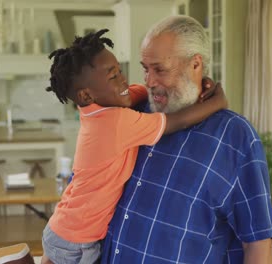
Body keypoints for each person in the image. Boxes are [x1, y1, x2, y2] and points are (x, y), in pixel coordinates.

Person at [101, 15, 272, 264]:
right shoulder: (132, 114)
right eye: (145, 68)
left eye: (160, 69)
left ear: (196, 65)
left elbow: (258, 245)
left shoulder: (235, 137)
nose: (149, 81)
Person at [41, 29, 228, 264]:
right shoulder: (116, 122)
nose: (123, 80)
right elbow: (177, 121)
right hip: (76, 241)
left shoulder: (95, 110)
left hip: (63, 227)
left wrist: (195, 84)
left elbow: (135, 93)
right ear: (86, 95)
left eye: (120, 71)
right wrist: (218, 101)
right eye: (113, 77)